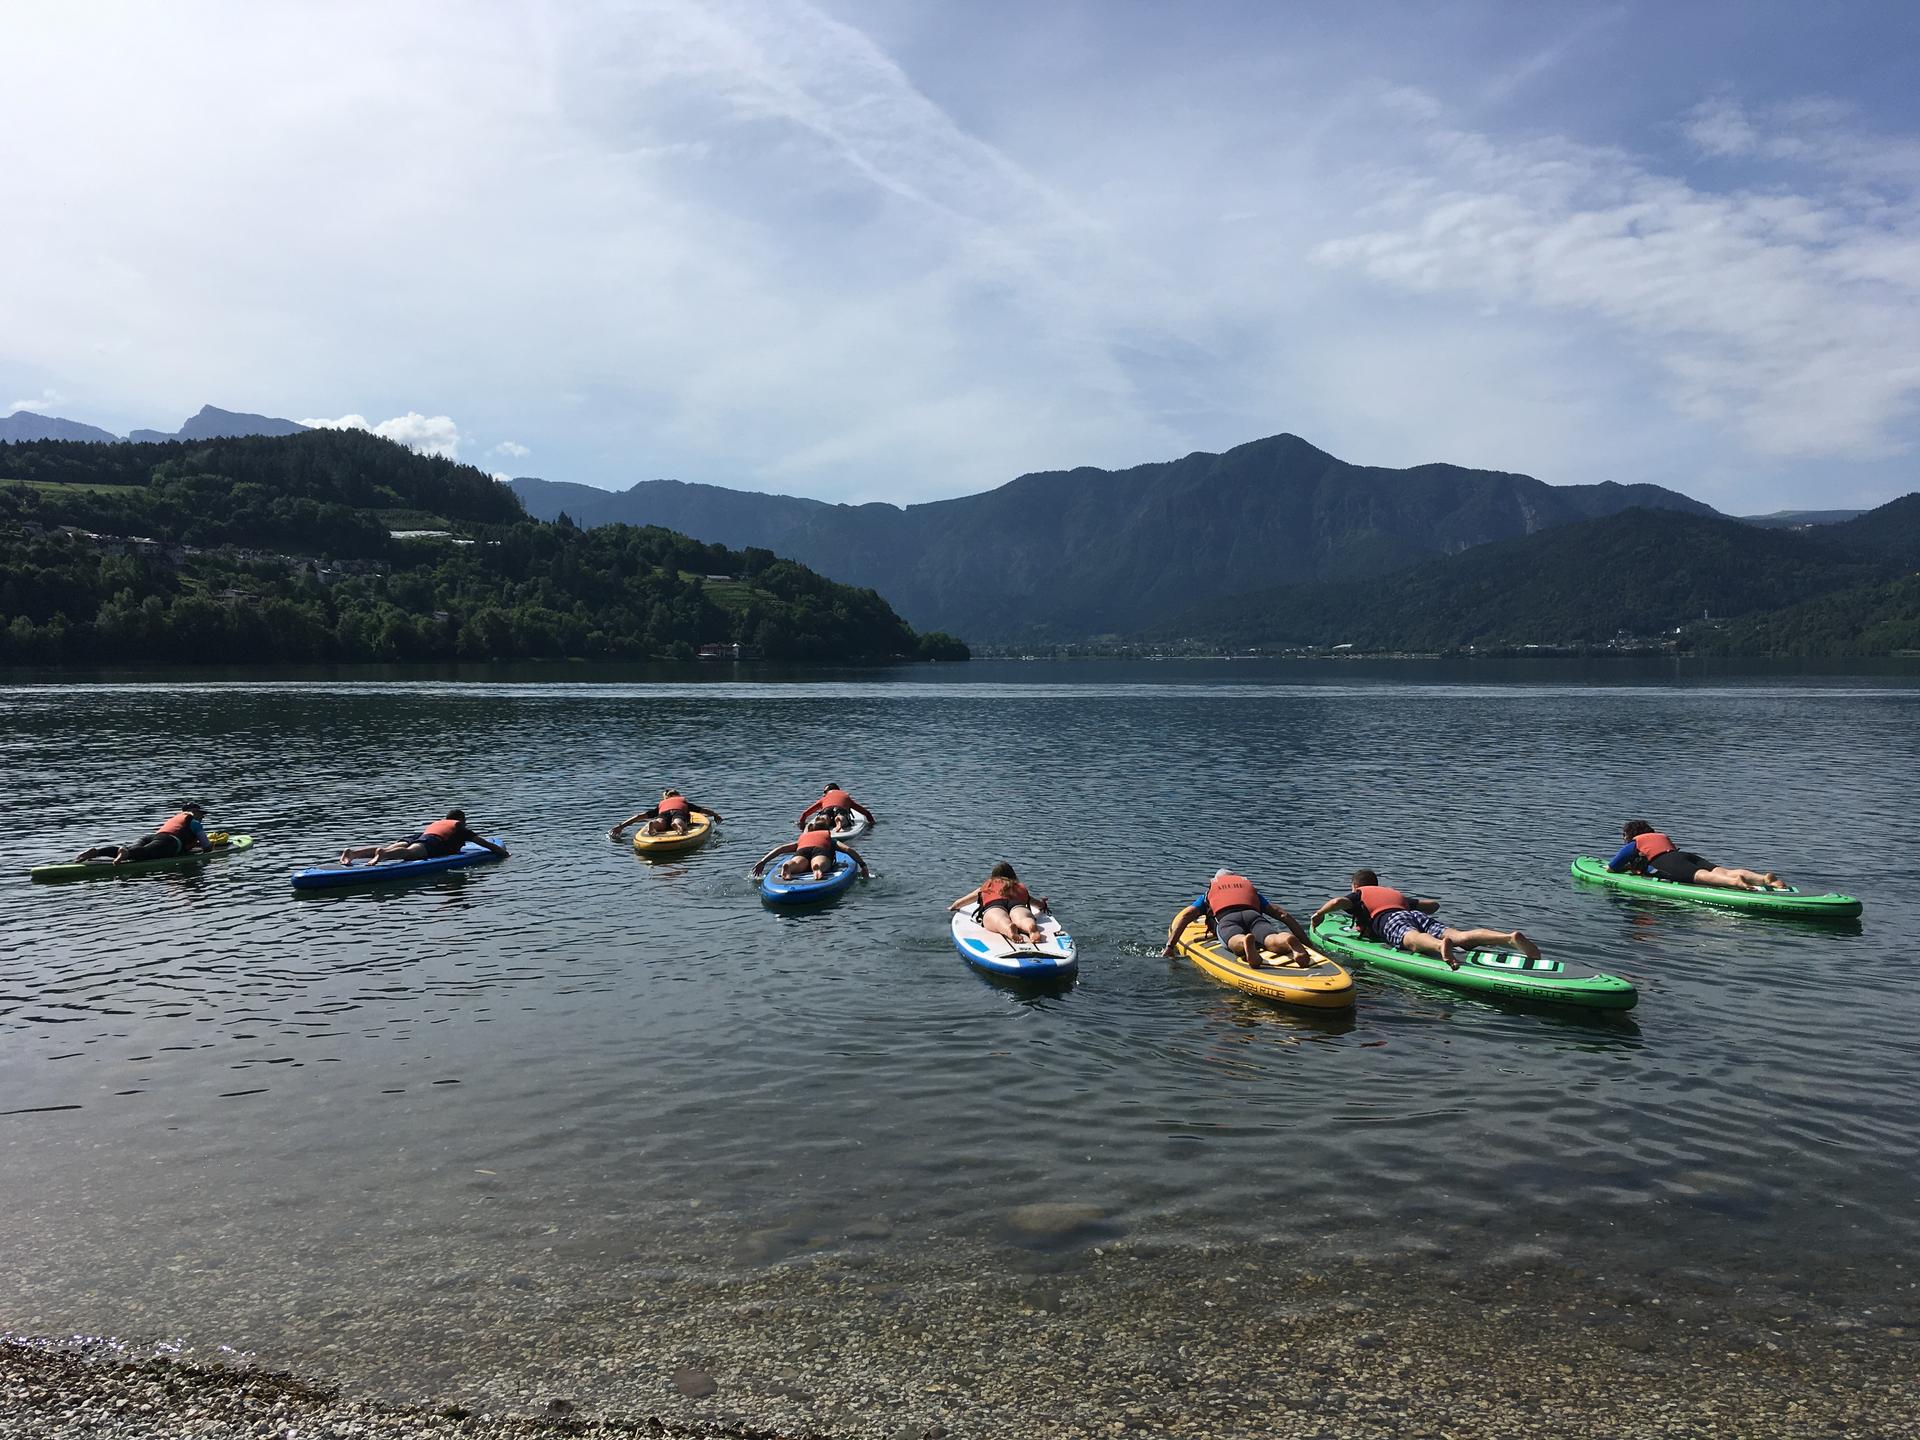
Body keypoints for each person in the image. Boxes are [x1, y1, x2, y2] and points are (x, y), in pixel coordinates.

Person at [1309, 869, 1540, 971]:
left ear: (1355, 886)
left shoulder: (1360, 894)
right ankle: (1508, 938)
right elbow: (1432, 906)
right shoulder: (1394, 893)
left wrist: (1319, 914)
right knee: (1458, 935)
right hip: (1413, 913)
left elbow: (1338, 902)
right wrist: (1414, 902)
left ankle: (1440, 946)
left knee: (1412, 939)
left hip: (1389, 919)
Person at [1162, 869, 1315, 969]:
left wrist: (1169, 947)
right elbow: (1283, 915)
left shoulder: (1209, 894)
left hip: (1228, 919)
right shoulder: (1251, 892)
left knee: (1233, 938)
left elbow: (1186, 916)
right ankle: (1287, 939)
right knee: (1270, 938)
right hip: (1253, 916)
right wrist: (1307, 943)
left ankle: (1244, 943)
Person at [1605, 820, 1785, 892]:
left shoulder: (1634, 843)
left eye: (1623, 835)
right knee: (1721, 870)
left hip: (1667, 861)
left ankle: (1735, 883)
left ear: (1629, 834)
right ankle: (1764, 879)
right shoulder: (1661, 836)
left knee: (1700, 876)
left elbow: (1612, 868)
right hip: (1685, 855)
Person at [337, 810, 509, 866]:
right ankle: (384, 854)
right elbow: (486, 844)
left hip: (419, 835)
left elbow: (423, 836)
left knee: (395, 847)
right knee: (410, 853)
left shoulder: (438, 823)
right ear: (461, 821)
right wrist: (503, 854)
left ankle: (353, 853)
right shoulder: (460, 829)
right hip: (432, 842)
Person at [75, 802, 213, 866]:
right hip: (169, 842)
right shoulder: (194, 822)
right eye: (201, 814)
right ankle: (124, 853)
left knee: (132, 849)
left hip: (153, 836)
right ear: (194, 812)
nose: (202, 817)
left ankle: (97, 852)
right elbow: (206, 847)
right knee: (142, 854)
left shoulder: (175, 818)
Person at [950, 862, 1051, 948]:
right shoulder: (1016, 886)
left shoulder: (989, 886)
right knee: (1022, 918)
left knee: (999, 920)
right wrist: (1043, 904)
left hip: (995, 905)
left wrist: (953, 906)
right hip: (1017, 904)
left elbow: (961, 902)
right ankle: (1030, 926)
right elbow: (1037, 904)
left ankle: (1008, 928)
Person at [752, 823, 870, 883]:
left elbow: (780, 849)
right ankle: (817, 868)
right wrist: (862, 865)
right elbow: (848, 850)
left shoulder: (803, 839)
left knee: (796, 862)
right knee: (818, 862)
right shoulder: (829, 839)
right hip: (821, 851)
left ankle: (789, 866)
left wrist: (763, 862)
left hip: (802, 850)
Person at [608, 789, 722, 840]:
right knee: (679, 821)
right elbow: (703, 810)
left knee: (660, 822)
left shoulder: (662, 804)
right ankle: (678, 826)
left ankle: (654, 825)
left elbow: (639, 816)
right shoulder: (683, 801)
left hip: (663, 814)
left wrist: (621, 826)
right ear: (678, 795)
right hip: (679, 812)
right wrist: (716, 815)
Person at [798, 784, 875, 833]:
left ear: (828, 791)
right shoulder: (845, 796)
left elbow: (805, 814)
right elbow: (866, 813)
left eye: (824, 792)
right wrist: (871, 824)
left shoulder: (824, 798)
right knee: (841, 815)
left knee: (825, 815)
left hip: (827, 809)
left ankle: (824, 820)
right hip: (841, 809)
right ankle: (840, 820)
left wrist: (801, 825)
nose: (823, 794)